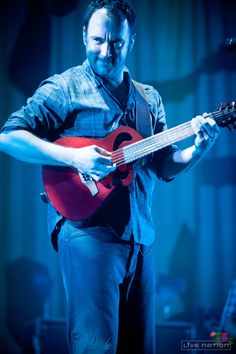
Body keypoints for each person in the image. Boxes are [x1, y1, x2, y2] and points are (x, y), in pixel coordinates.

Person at [0, 0, 220, 353]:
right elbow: (9, 137)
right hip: (87, 233)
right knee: (95, 347)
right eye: (99, 39)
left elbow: (164, 166)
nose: (106, 50)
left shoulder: (149, 100)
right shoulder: (64, 88)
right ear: (84, 35)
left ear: (131, 41)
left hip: (140, 238)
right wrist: (74, 157)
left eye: (116, 42)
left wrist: (197, 149)